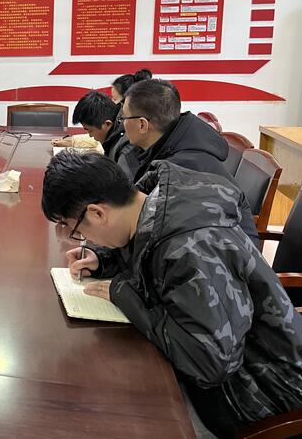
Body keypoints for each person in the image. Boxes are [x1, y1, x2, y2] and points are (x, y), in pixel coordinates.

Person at [42, 151, 302, 438]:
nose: (85, 239)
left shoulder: (191, 247)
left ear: (97, 213)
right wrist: (104, 259)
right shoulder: (154, 203)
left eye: (78, 231)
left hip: (259, 394)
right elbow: (148, 249)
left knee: (107, 416)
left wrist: (127, 296)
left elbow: (209, 365)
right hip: (232, 367)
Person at [120, 78, 259, 245]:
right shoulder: (175, 144)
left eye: (124, 118)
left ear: (142, 125)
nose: (122, 124)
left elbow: (147, 229)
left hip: (227, 256)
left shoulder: (182, 169)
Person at [53, 91, 140, 180]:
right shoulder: (116, 130)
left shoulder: (125, 151)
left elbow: (123, 187)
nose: (90, 136)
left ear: (107, 124)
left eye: (90, 130)